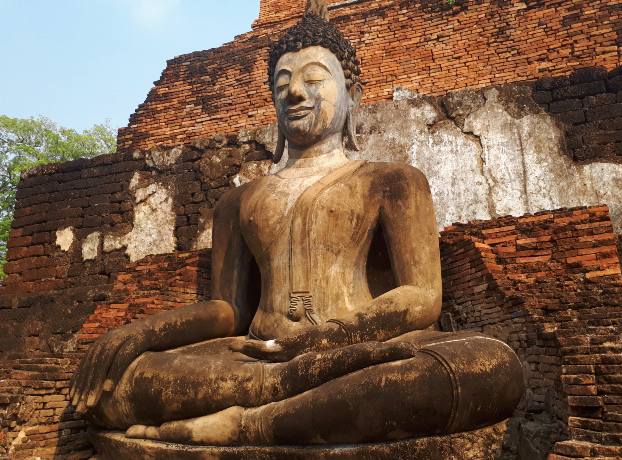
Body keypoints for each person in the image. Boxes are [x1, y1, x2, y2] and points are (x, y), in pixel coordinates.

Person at [69, 0, 524, 446]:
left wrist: (323, 341)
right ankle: (287, 397)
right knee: (122, 381)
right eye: (281, 82)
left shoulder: (391, 181)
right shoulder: (239, 200)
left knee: (486, 365)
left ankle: (249, 424)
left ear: (353, 94)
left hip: (351, 354)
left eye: (314, 79)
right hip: (257, 359)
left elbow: (423, 298)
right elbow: (231, 309)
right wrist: (139, 333)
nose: (294, 92)